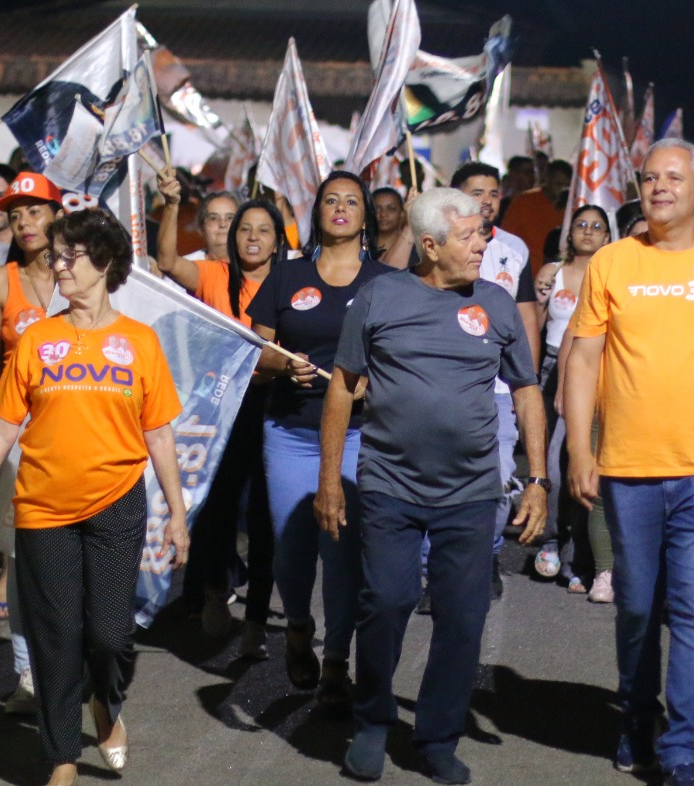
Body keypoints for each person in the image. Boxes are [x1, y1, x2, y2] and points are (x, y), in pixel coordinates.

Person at [0, 208, 189, 786]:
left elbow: (158, 432)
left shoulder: (141, 343)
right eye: (55, 257)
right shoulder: (37, 340)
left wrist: (177, 513)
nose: (58, 266)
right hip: (43, 509)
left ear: (103, 262)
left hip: (116, 504)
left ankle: (105, 702)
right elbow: (3, 426)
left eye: (69, 256)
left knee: (108, 634)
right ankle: (61, 759)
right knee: (54, 639)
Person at [319, 188, 548, 784]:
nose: (483, 244)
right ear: (430, 246)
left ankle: (438, 737)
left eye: (483, 233)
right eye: (471, 236)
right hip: (390, 486)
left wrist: (539, 479)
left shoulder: (496, 304)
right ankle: (372, 721)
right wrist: (329, 480)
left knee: (462, 616)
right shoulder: (380, 296)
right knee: (387, 602)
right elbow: (343, 387)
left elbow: (526, 390)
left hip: (471, 494)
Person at [567, 139, 694, 786]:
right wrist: (580, 448)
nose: (659, 187)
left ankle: (683, 747)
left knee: (692, 607)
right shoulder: (612, 261)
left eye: (673, 178)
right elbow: (581, 359)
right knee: (637, 608)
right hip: (628, 466)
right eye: (650, 177)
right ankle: (635, 715)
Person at [246, 171, 389, 711]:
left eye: (352, 202)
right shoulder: (287, 276)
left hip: (358, 436)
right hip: (289, 432)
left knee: (344, 549)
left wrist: (377, 381)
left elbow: (398, 353)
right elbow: (253, 351)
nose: (340, 208)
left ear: (364, 218)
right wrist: (282, 364)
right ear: (317, 213)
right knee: (293, 549)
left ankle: (335, 662)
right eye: (331, 200)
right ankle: (298, 626)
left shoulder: (383, 281)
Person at [156, 178, 284, 642]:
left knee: (267, 515)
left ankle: (255, 617)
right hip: (221, 410)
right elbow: (167, 262)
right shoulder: (212, 275)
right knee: (218, 508)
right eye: (241, 229)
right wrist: (171, 205)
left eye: (261, 230)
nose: (250, 237)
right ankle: (213, 589)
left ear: (277, 240)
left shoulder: (291, 281)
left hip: (273, 405)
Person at [0, 171, 63, 711]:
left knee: (71, 563)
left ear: (57, 215)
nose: (25, 222)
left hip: (77, 439)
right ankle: (27, 673)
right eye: (16, 213)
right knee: (25, 562)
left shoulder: (82, 276)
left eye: (35, 210)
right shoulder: (0, 282)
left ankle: (69, 668)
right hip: (16, 440)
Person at [425, 161, 539, 605]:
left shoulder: (516, 249)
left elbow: (527, 315)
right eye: (477, 192)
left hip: (497, 390)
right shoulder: (435, 247)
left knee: (498, 479)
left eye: (493, 193)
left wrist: (523, 380)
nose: (487, 200)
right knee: (437, 481)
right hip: (443, 388)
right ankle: (433, 573)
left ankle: (486, 556)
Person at [533, 204, 611, 594]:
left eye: (598, 226)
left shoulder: (612, 273)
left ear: (608, 236)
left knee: (583, 462)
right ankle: (552, 537)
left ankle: (581, 553)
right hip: (553, 370)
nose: (589, 231)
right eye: (582, 224)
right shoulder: (553, 273)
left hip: (597, 372)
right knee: (552, 460)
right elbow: (537, 321)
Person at [186, 190, 239, 262]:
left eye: (230, 218)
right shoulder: (184, 266)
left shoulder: (254, 268)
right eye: (214, 218)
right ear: (201, 228)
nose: (223, 224)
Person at [371, 187, 406, 258]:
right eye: (377, 209)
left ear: (402, 213)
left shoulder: (413, 251)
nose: (383, 214)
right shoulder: (361, 252)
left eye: (391, 209)